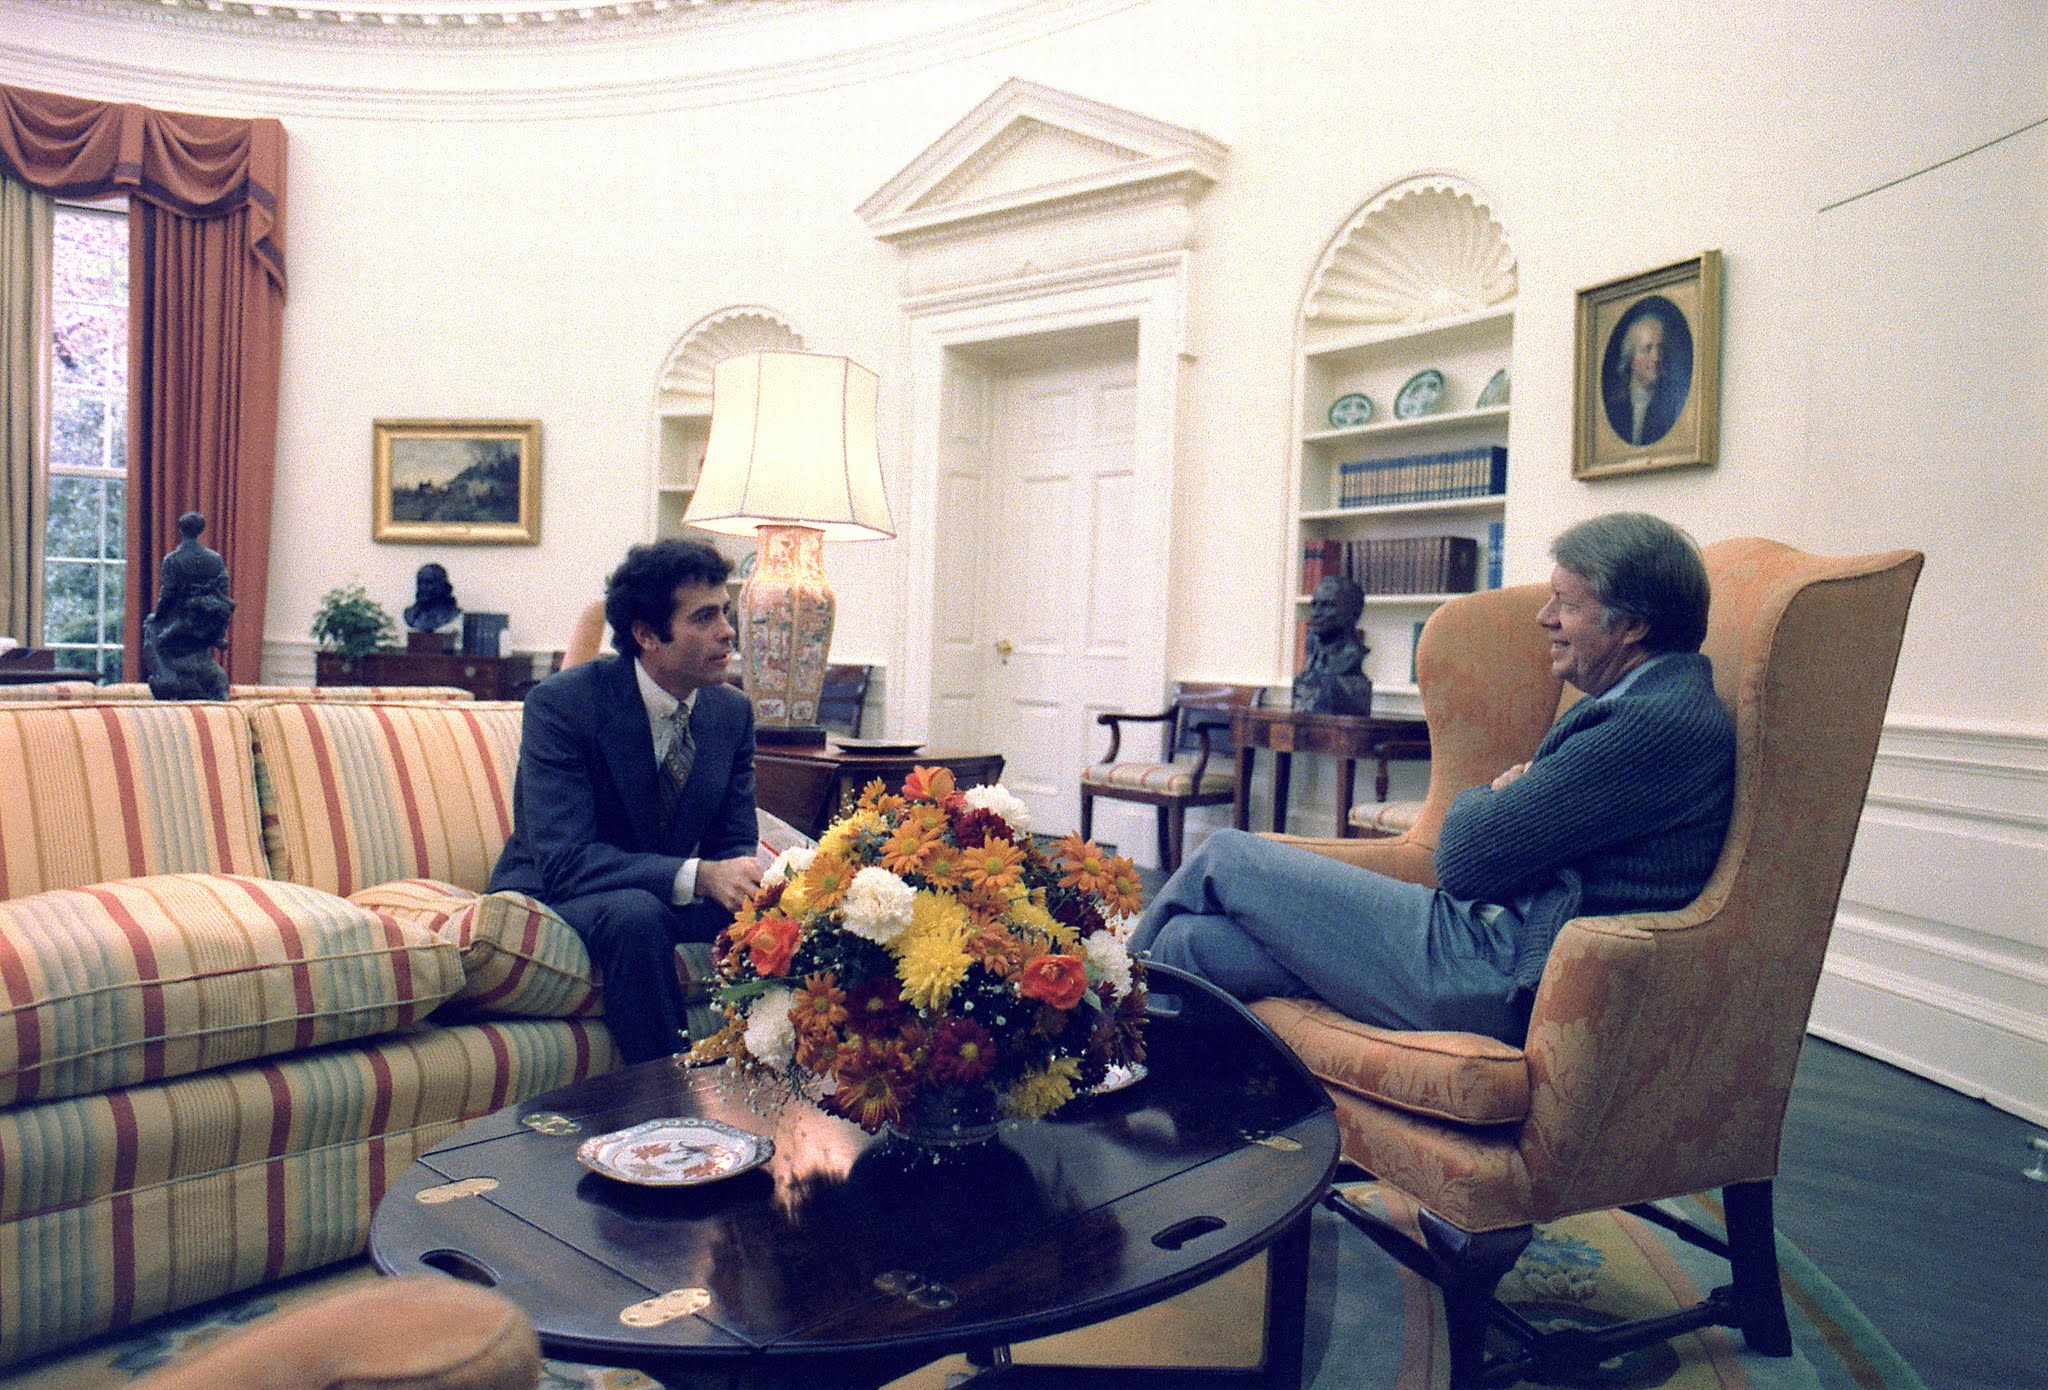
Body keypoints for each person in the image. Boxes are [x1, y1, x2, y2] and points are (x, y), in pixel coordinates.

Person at [1129, 512, 1734, 1044]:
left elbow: (1463, 859)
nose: (1545, 618)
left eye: (1567, 604)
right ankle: (1171, 1096)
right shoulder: (1653, 702)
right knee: (1188, 944)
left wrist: (1496, 793)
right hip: (1488, 942)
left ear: (1633, 625)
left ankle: (1090, 1031)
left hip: (1494, 970)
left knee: (1227, 857)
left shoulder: (1651, 723)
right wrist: (1510, 797)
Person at [489, 539, 762, 1063]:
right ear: (646, 635)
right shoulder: (563, 705)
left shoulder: (730, 713)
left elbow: (732, 843)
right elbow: (567, 859)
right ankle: (666, 1096)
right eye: (704, 617)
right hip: (560, 890)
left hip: (661, 895)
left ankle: (783, 1087)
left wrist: (743, 882)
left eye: (724, 612)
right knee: (635, 914)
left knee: (796, 911)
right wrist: (702, 876)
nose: (727, 631)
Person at [143, 511, 235, 700]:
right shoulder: (215, 558)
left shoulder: (173, 559)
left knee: (151, 627)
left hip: (184, 615)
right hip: (209, 616)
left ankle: (167, 676)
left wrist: (159, 616)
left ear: (181, 530)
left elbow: (167, 594)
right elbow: (223, 587)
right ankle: (216, 639)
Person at [1601, 302, 1691, 447]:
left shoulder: (1673, 403)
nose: (1656, 357)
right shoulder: (1613, 405)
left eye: (1660, 348)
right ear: (1630, 358)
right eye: (1647, 349)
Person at [1292, 573, 1371, 715]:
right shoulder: (1311, 664)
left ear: (1353, 612)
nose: (1316, 613)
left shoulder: (1351, 664)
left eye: (1327, 605)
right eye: (1314, 605)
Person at [404, 562, 460, 633]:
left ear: (443, 586)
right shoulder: (410, 614)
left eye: (429, 582)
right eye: (420, 582)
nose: (423, 587)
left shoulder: (452, 614)